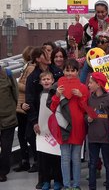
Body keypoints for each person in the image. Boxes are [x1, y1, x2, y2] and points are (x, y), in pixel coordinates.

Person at [49, 59, 89, 190]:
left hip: (78, 127)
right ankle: (66, 185)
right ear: (63, 71)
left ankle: (76, 185)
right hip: (63, 127)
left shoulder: (83, 87)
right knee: (65, 158)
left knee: (76, 158)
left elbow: (86, 110)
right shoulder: (58, 86)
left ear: (78, 72)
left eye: (73, 70)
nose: (70, 73)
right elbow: (52, 108)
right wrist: (57, 95)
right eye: (67, 70)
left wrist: (81, 97)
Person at [26, 47, 63, 179]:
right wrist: (34, 121)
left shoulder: (58, 72)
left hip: (57, 118)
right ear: (38, 59)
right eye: (46, 53)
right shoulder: (32, 78)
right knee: (42, 150)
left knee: (57, 150)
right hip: (40, 120)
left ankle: (58, 178)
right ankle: (43, 179)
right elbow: (29, 100)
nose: (49, 55)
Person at [87, 72, 109, 190]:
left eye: (91, 82)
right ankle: (92, 187)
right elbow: (85, 114)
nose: (88, 85)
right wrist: (87, 119)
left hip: (106, 137)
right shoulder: (90, 99)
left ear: (98, 84)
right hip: (93, 137)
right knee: (93, 164)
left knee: (108, 164)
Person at [37, 71, 63, 190]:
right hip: (43, 131)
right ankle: (46, 180)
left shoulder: (55, 93)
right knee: (44, 157)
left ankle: (58, 180)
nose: (46, 81)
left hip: (55, 129)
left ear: (53, 81)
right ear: (40, 82)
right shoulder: (39, 95)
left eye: (48, 79)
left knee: (56, 157)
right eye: (44, 79)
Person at [14, 46, 36, 172]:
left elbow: (28, 87)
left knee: (26, 135)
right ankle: (25, 160)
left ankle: (29, 160)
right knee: (22, 134)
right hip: (21, 105)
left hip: (24, 106)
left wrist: (17, 83)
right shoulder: (27, 67)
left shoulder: (30, 68)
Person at [0, 66, 18, 182]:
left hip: (8, 117)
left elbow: (15, 93)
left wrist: (12, 109)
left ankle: (3, 172)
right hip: (8, 114)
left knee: (6, 147)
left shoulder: (7, 73)